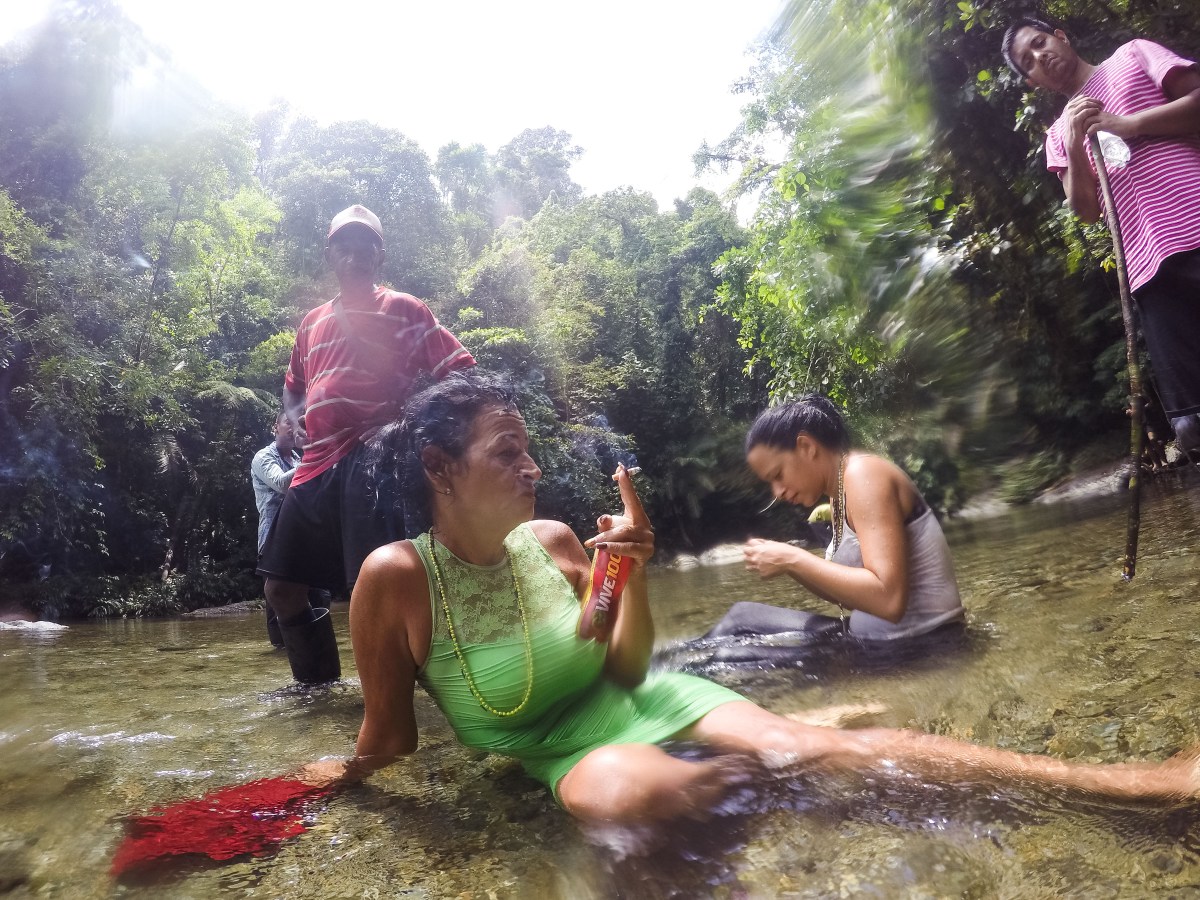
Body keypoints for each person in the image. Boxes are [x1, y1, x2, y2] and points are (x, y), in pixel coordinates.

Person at [295, 373, 1197, 826]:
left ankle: (1140, 788)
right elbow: (391, 736)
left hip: (648, 696)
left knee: (805, 750)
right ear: (440, 470)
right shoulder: (395, 578)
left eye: (529, 448)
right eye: (506, 452)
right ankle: (792, 756)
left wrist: (634, 570)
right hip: (562, 751)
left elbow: (627, 662)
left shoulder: (557, 542)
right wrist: (324, 784)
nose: (531, 468)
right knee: (623, 797)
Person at [256, 204, 476, 683]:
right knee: (282, 588)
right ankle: (318, 691)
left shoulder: (404, 308)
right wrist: (297, 420)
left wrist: (419, 429)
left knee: (370, 585)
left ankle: (400, 697)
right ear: (330, 254)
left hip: (373, 458)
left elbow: (461, 373)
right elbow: (293, 384)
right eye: (344, 247)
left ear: (379, 255)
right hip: (315, 465)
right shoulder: (312, 322)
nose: (354, 255)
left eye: (364, 246)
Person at [1002, 18, 1200, 457]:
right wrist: (1073, 140)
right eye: (1028, 61)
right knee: (1193, 423)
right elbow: (1088, 211)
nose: (1040, 56)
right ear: (1032, 82)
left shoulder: (1132, 55)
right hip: (1148, 272)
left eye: (1040, 43)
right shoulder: (1057, 137)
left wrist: (1127, 124)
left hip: (1196, 226)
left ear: (1062, 36)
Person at [708, 395, 964, 644]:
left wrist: (792, 558)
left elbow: (889, 600)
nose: (778, 492)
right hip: (875, 642)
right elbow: (851, 598)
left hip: (921, 647)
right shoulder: (838, 493)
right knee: (742, 619)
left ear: (807, 447)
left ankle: (675, 672)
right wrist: (789, 566)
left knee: (734, 647)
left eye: (778, 474)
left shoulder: (864, 475)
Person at [250, 411, 328, 648]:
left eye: (298, 424)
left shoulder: (296, 458)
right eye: (288, 423)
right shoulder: (263, 457)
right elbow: (283, 484)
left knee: (317, 598)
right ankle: (281, 662)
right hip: (274, 538)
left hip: (304, 538)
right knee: (280, 603)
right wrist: (313, 456)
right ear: (275, 426)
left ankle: (317, 661)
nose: (294, 428)